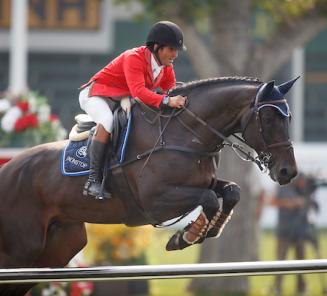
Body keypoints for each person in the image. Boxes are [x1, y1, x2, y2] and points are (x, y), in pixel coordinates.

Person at [78, 21, 187, 200]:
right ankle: (93, 180)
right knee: (107, 120)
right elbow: (139, 92)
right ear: (157, 47)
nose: (175, 54)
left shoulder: (165, 66)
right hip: (97, 95)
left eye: (176, 50)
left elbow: (170, 89)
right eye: (171, 49)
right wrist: (167, 101)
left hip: (120, 100)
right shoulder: (133, 58)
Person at [267, 173, 323, 295]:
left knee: (301, 262)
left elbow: (314, 206)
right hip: (284, 231)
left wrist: (309, 202)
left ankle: (301, 287)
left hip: (300, 231)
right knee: (281, 261)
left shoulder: (304, 190)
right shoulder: (282, 187)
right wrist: (289, 204)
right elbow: (271, 201)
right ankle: (277, 287)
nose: (303, 185)